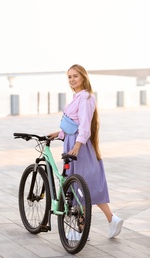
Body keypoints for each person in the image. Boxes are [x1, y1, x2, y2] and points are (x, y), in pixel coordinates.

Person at [48, 64, 123, 239]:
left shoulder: (86, 98)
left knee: (79, 186)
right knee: (80, 186)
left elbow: (84, 126)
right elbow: (73, 125)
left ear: (83, 77)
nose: (72, 79)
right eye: (69, 77)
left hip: (78, 147)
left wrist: (76, 146)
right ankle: (110, 220)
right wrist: (59, 134)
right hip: (72, 142)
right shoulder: (77, 97)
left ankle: (82, 231)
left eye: (75, 76)